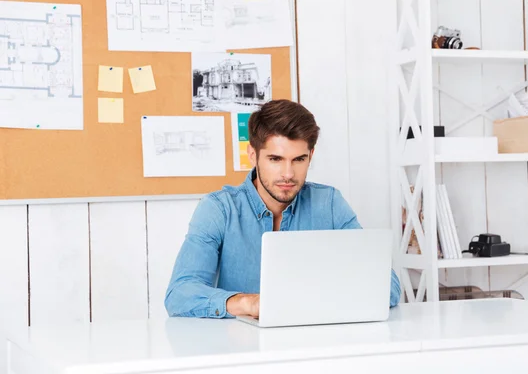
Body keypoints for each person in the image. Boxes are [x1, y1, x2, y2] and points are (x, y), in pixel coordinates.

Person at [164, 99, 401, 318]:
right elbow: (180, 294)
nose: (288, 174)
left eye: (299, 160)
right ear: (253, 154)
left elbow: (388, 286)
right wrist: (249, 304)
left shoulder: (328, 203)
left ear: (311, 155)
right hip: (241, 349)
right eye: (275, 159)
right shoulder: (219, 208)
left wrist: (314, 299)